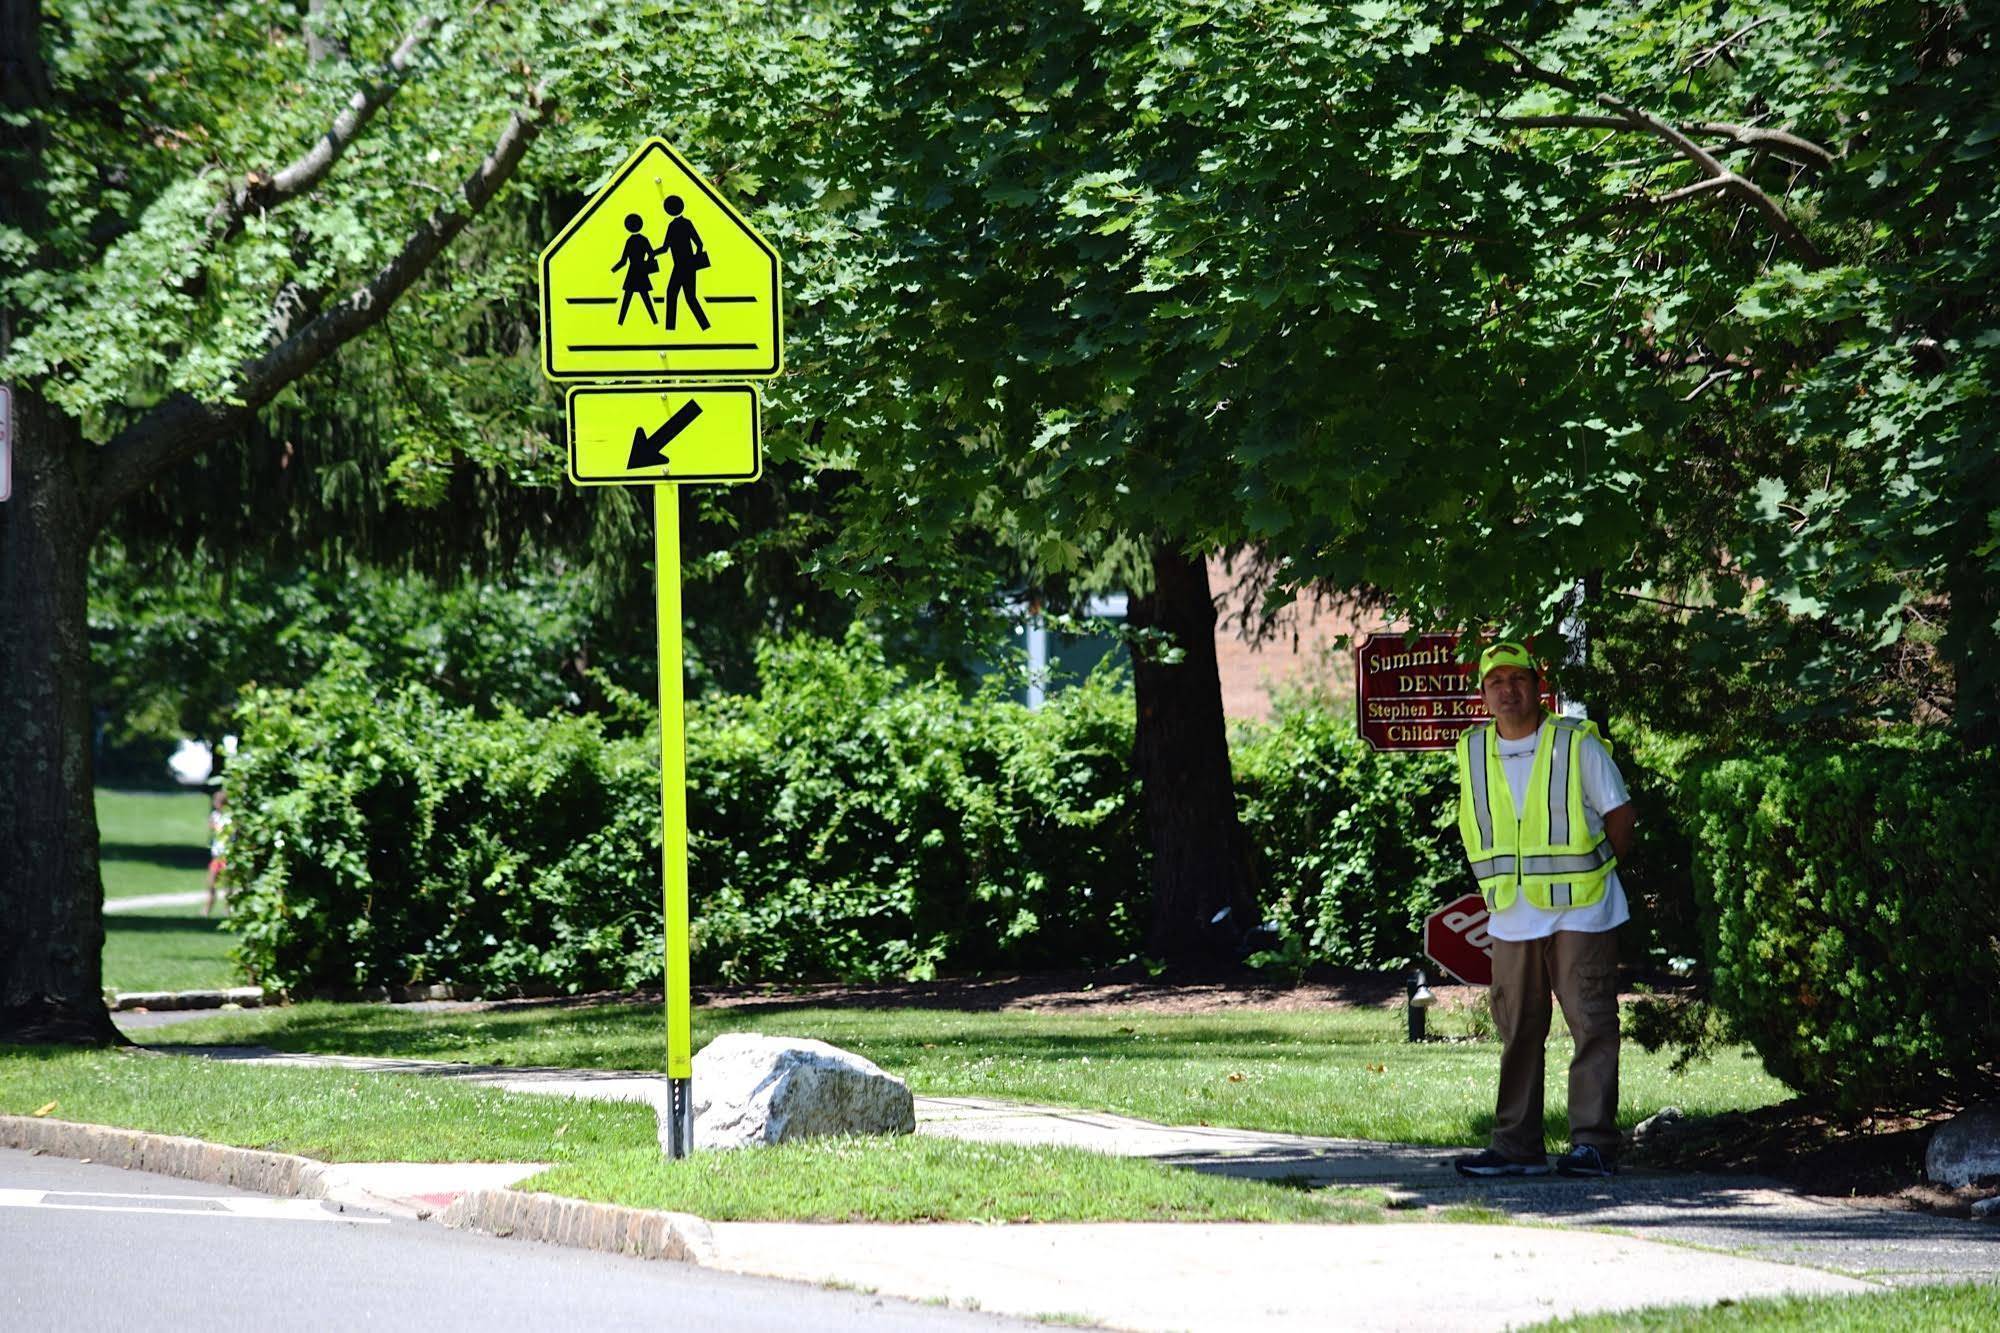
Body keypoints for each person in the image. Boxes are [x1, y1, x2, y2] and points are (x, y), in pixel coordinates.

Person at [1451, 640, 1637, 1179]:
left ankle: (1593, 1145)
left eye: (1518, 679)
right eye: (1496, 682)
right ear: (1484, 694)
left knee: (1592, 1025)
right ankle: (1515, 1147)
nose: (1507, 690)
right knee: (1518, 1030)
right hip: (1511, 914)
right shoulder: (1471, 751)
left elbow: (1621, 817)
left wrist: (1598, 873)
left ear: (1538, 686)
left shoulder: (1575, 744)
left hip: (1582, 911)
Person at [657, 194, 710, 332]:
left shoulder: (673, 226)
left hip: (681, 266)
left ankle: (670, 328)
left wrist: (651, 253)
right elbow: (699, 244)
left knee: (672, 294)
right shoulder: (686, 223)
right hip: (688, 266)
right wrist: (695, 261)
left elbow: (665, 248)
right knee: (689, 297)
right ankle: (705, 326)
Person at [612, 213, 659, 326]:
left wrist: (613, 270)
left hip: (633, 272)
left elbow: (623, 261)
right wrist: (646, 263)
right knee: (645, 297)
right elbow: (652, 254)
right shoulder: (644, 239)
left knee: (627, 298)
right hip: (641, 271)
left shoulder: (630, 241)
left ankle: (620, 322)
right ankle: (655, 321)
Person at [204, 788, 231, 918]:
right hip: (216, 856)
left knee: (227, 885)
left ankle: (227, 910)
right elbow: (211, 826)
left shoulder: (230, 818)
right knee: (211, 883)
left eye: (218, 801)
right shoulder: (215, 816)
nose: (215, 804)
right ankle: (207, 909)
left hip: (227, 855)